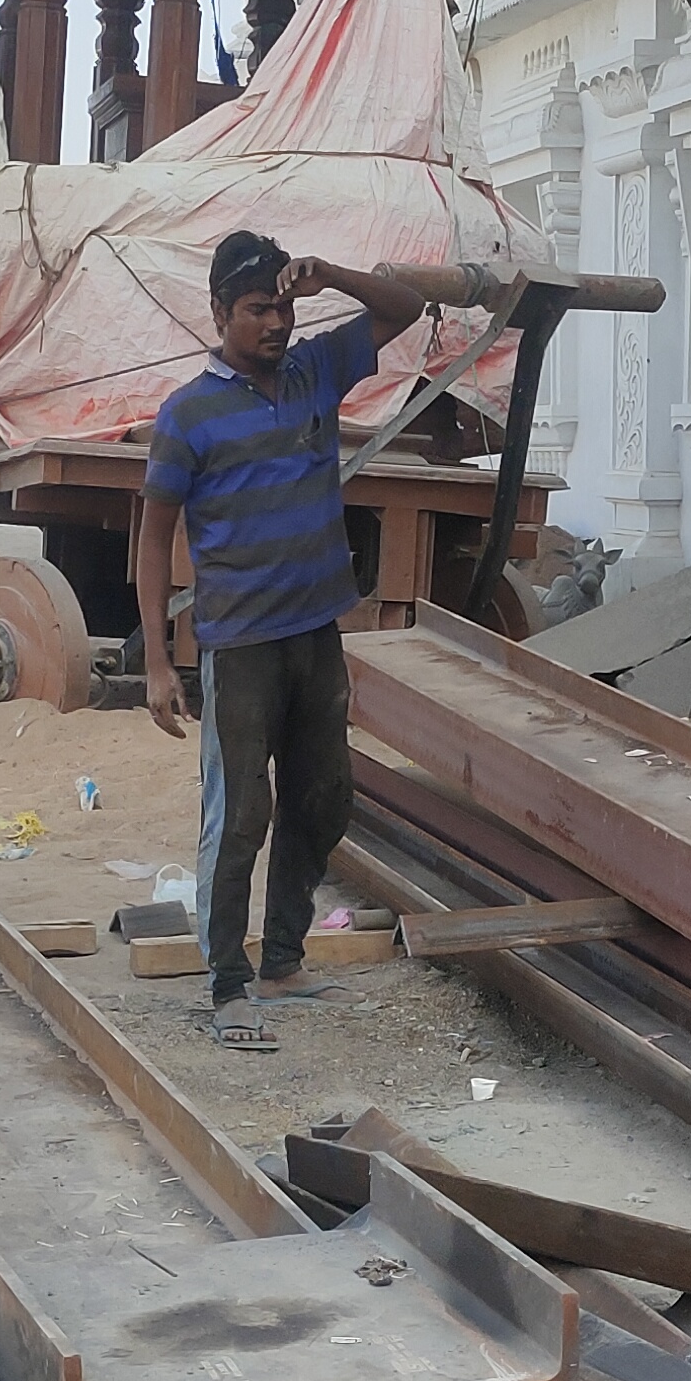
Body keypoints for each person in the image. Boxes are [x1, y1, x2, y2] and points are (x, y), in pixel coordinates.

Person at [137, 230, 423, 1054]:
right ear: (220, 312)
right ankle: (227, 981)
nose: (276, 323)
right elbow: (155, 539)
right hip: (240, 643)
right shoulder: (188, 414)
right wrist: (160, 661)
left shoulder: (315, 372)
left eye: (285, 307)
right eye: (258, 309)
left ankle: (284, 961)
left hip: (315, 632)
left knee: (322, 797)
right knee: (240, 814)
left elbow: (405, 308)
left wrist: (331, 271)